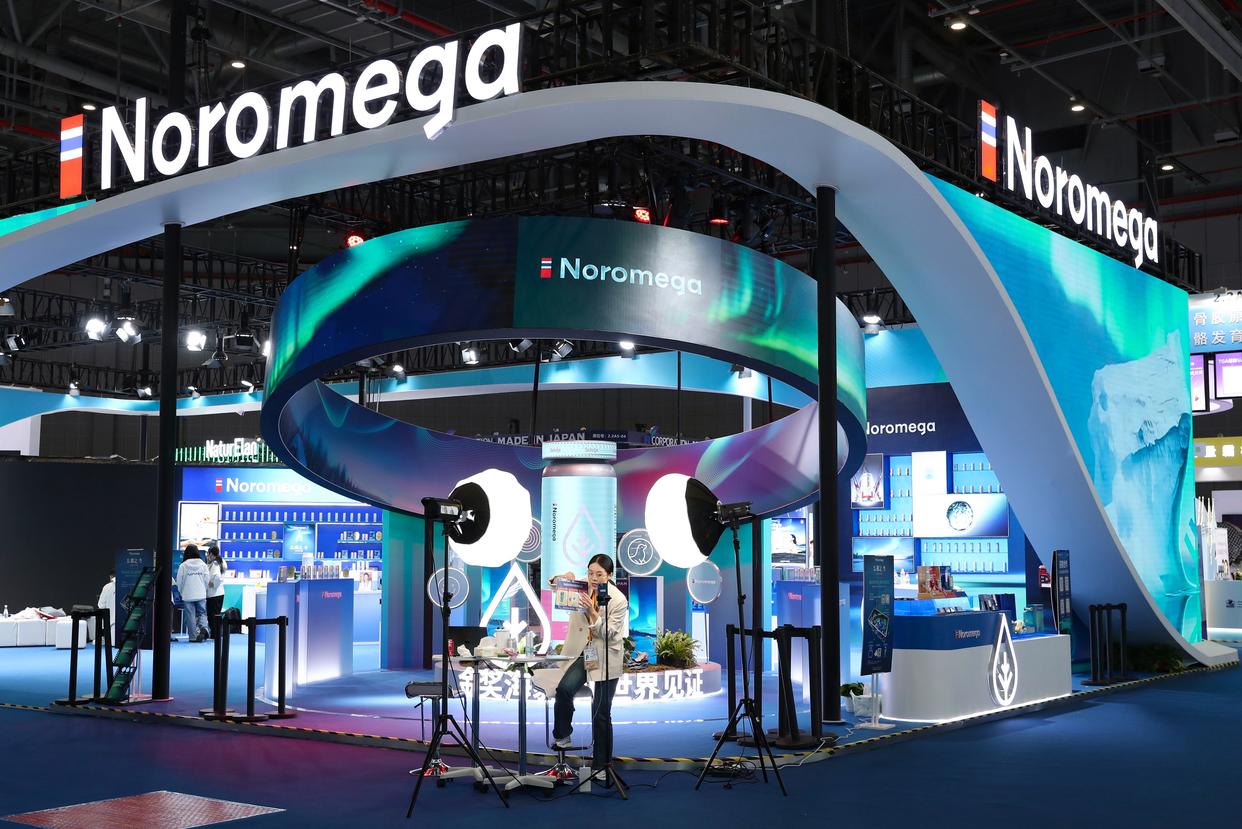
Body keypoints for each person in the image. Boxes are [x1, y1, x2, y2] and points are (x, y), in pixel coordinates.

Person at [548, 553, 629, 772]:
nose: (594, 578)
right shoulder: (581, 586)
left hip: (606, 655)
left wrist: (593, 613)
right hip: (583, 652)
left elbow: (610, 634)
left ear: (609, 575)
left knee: (601, 712)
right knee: (564, 690)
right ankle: (563, 735)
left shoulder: (618, 599)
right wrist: (561, 578)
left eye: (599, 574)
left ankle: (601, 767)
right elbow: (555, 587)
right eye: (591, 573)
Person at [176, 545, 210, 643]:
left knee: (190, 615)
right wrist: (204, 589)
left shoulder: (183, 565)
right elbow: (207, 579)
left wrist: (181, 591)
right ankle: (204, 628)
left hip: (188, 594)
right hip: (201, 593)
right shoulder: (203, 564)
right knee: (202, 613)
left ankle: (193, 637)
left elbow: (179, 581)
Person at [205, 546, 226, 640]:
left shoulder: (215, 564)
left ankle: (215, 634)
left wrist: (213, 584)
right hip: (218, 593)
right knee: (215, 615)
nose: (207, 556)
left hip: (214, 594)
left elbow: (217, 577)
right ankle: (215, 634)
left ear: (211, 554)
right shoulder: (220, 562)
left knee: (212, 615)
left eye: (208, 554)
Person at [97, 570, 116, 644]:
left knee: (112, 643)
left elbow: (101, 605)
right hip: (127, 623)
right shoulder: (128, 585)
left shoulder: (107, 587)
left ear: (111, 577)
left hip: (111, 624)